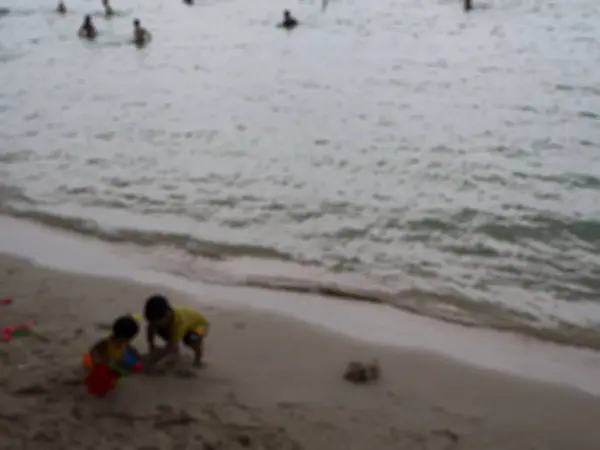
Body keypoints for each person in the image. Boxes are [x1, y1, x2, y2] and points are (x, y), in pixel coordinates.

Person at [144, 295, 209, 367]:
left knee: (192, 339)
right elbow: (150, 330)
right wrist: (152, 347)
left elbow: (172, 344)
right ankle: (175, 352)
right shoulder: (159, 319)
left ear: (167, 314)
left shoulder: (178, 322)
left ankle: (198, 360)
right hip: (184, 324)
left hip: (200, 325)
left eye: (156, 322)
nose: (153, 324)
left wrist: (161, 362)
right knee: (159, 329)